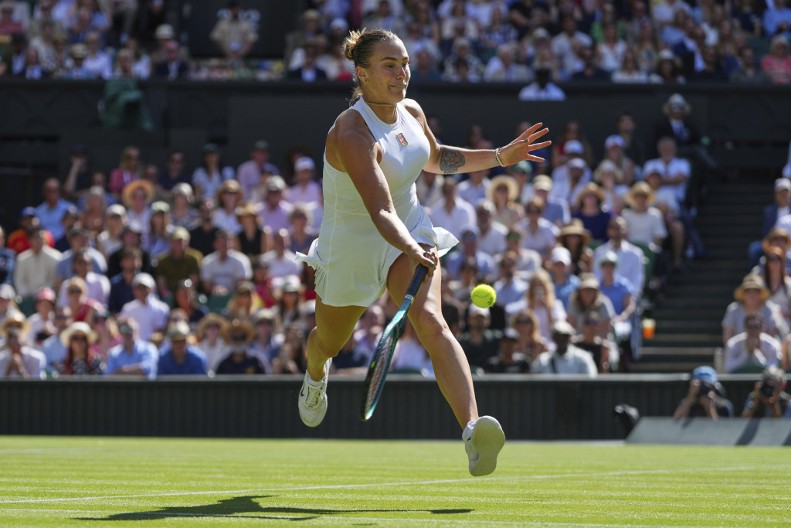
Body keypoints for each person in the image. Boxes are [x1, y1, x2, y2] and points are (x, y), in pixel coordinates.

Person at [294, 28, 551, 476]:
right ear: (363, 74)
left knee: (432, 321)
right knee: (327, 343)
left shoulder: (410, 110)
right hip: (355, 246)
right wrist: (412, 246)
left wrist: (499, 157)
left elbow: (435, 158)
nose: (402, 74)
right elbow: (378, 210)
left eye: (405, 63)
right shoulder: (351, 132)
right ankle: (315, 376)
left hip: (409, 227)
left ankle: (473, 430)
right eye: (389, 66)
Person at [531, 320, 598, 377]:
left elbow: (591, 380)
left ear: (570, 337)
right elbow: (534, 382)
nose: (561, 339)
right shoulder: (543, 360)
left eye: (565, 336)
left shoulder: (582, 358)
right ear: (553, 337)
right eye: (558, 335)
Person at [0, 313, 46, 379]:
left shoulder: (36, 358)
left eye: (18, 326)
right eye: (11, 326)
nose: (14, 330)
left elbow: (38, 387)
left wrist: (21, 370)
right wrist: (9, 369)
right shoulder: (1, 358)